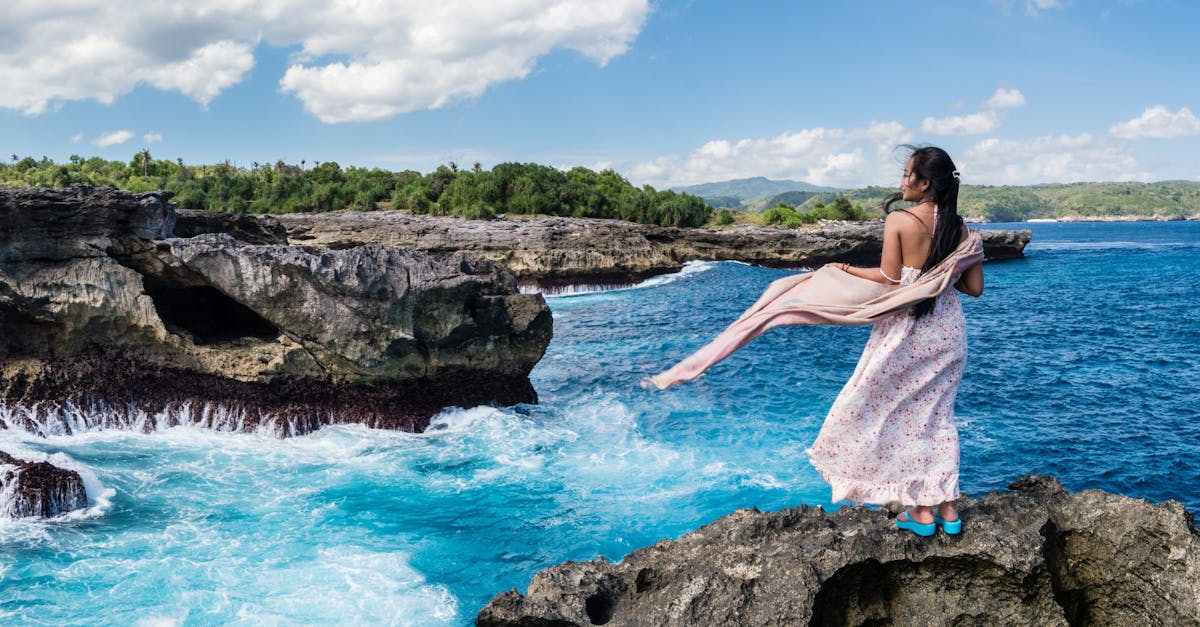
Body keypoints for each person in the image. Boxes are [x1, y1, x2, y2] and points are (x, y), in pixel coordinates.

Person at [805, 145, 983, 537]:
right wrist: (954, 265)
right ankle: (948, 508)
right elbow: (974, 289)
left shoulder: (899, 221)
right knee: (938, 418)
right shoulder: (964, 230)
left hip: (907, 329)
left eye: (907, 175)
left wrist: (846, 269)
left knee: (895, 416)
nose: (902, 182)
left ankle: (920, 512)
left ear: (925, 183)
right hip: (948, 330)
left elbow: (889, 279)